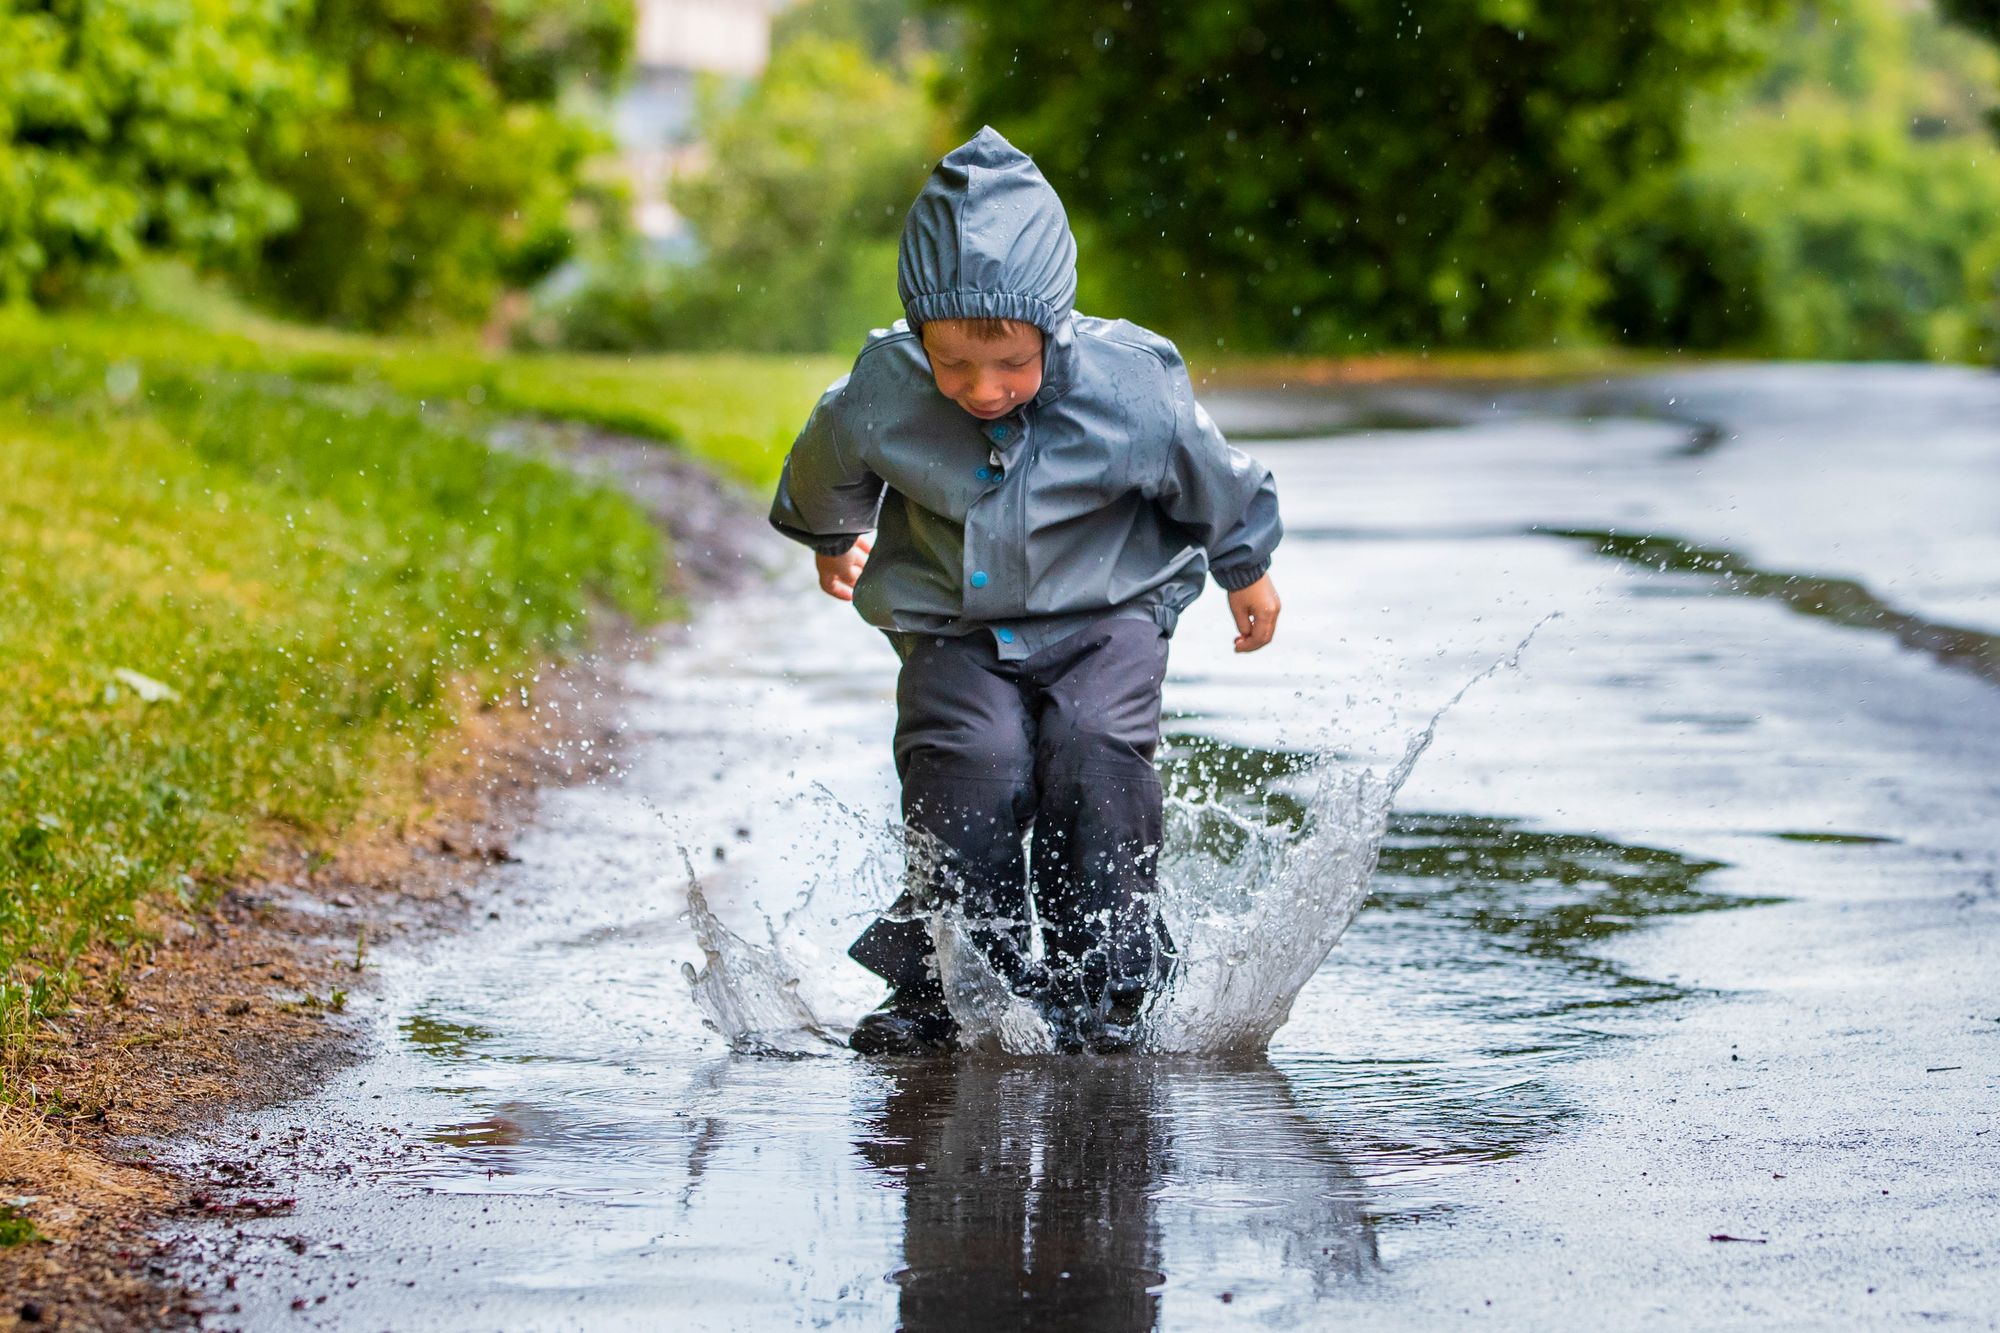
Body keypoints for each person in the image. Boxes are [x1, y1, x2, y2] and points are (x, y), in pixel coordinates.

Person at [769, 127, 1282, 1055]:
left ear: (1055, 323)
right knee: (970, 767)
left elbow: (1208, 468)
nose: (983, 388)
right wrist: (832, 532)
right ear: (918, 329)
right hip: (955, 630)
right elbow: (828, 455)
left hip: (1108, 617)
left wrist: (1245, 563)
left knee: (1093, 754)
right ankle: (953, 986)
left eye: (1011, 362)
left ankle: (1107, 982)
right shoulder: (886, 385)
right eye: (953, 362)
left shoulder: (1130, 383)